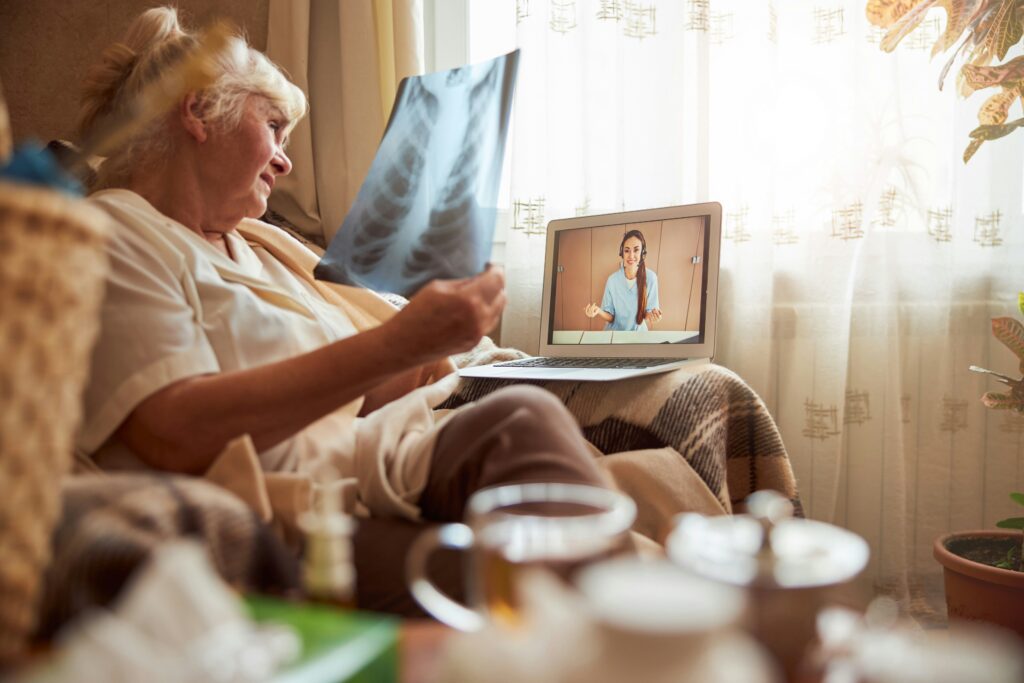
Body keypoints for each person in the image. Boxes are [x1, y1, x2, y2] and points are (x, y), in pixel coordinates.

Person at [74, 7, 607, 615]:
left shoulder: (262, 243)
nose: (285, 161)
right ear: (197, 111)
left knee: (560, 427)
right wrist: (401, 343)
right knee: (522, 429)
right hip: (299, 511)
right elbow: (173, 432)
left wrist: (438, 336)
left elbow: (358, 393)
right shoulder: (114, 229)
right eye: (273, 127)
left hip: (376, 453)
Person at [584, 229, 662, 331]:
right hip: (614, 333)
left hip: (637, 334)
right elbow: (610, 317)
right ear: (622, 253)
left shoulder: (651, 278)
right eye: (627, 250)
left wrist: (653, 316)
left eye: (636, 250)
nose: (631, 255)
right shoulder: (612, 280)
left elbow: (647, 314)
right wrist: (598, 311)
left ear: (643, 252)